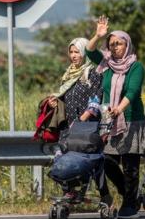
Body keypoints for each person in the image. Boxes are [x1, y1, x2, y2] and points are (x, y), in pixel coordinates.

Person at [85, 15, 145, 219]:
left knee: (130, 165)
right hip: (109, 120)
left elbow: (132, 91)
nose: (114, 48)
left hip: (130, 119)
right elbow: (89, 50)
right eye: (111, 44)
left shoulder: (136, 67)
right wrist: (98, 34)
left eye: (118, 43)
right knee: (108, 161)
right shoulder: (108, 63)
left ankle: (130, 204)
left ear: (127, 44)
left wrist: (119, 108)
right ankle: (127, 194)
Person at [47, 37, 109, 204]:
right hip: (68, 126)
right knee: (64, 158)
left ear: (84, 53)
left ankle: (104, 196)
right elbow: (66, 98)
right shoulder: (68, 74)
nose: (74, 55)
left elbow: (96, 98)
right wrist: (56, 102)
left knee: (91, 161)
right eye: (71, 52)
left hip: (86, 127)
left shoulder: (94, 73)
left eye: (77, 52)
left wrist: (82, 119)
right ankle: (70, 192)